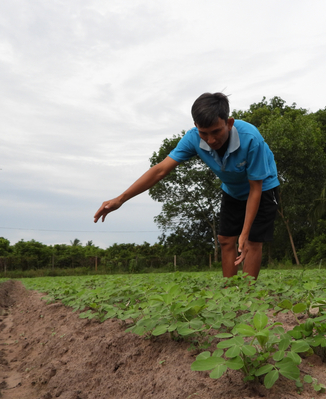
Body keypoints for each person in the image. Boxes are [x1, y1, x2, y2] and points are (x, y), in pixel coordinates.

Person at [94, 92, 280, 280]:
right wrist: (121, 199)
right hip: (232, 189)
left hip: (262, 187)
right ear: (196, 127)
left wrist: (245, 232)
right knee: (225, 240)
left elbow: (255, 188)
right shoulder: (193, 138)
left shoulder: (250, 138)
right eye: (204, 133)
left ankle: (248, 298)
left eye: (216, 132)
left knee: (252, 241)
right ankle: (229, 293)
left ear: (229, 123)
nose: (211, 140)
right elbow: (160, 170)